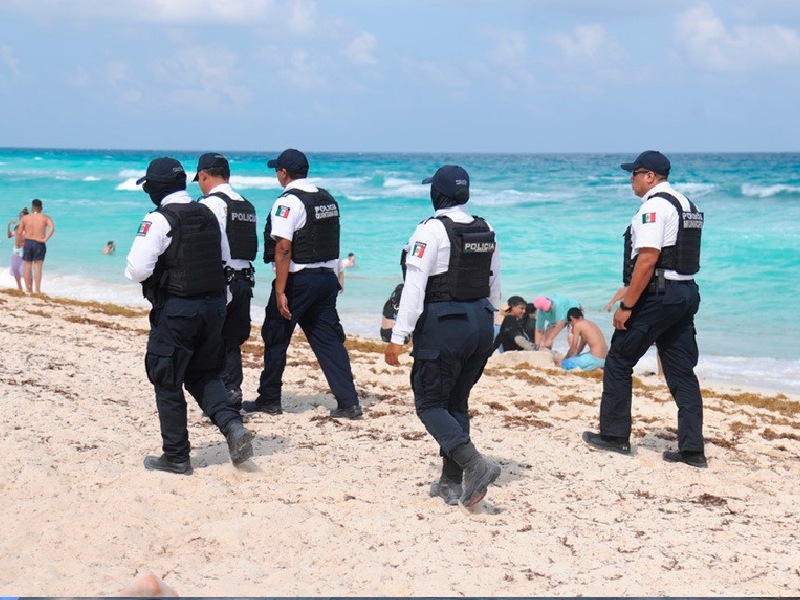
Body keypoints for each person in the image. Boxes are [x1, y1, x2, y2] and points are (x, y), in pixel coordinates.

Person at [124, 157, 254, 475]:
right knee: (205, 374)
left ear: (154, 189)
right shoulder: (208, 213)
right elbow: (225, 261)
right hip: (213, 308)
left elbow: (137, 270)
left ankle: (177, 456)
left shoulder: (158, 219)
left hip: (177, 309)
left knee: (166, 377)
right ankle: (232, 426)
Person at [384, 165, 502, 508]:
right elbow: (494, 281)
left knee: (430, 404)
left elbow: (415, 286)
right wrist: (490, 323)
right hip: (480, 323)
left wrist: (399, 334)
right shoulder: (485, 227)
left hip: (445, 325)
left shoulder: (429, 231)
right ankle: (450, 483)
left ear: (437, 194)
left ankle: (474, 465)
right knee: (455, 403)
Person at [583, 150, 706, 468]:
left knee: (620, 360)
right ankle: (692, 450)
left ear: (650, 176)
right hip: (685, 292)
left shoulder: (654, 206)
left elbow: (649, 258)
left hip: (659, 296)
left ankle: (614, 436)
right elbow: (673, 259)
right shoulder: (686, 204)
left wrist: (627, 305)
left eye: (634, 173)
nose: (631, 179)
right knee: (681, 371)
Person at [242, 149, 362, 419]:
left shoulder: (288, 202)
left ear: (283, 173)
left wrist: (280, 289)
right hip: (325, 278)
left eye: (277, 171)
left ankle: (269, 399)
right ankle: (349, 402)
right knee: (329, 341)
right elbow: (332, 241)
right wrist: (334, 278)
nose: (277, 175)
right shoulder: (327, 199)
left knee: (276, 336)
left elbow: (283, 248)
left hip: (299, 281)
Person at [194, 152, 258, 410]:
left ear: (204, 175)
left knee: (212, 341)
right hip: (244, 280)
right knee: (231, 341)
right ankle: (233, 391)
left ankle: (222, 396)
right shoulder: (245, 204)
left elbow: (202, 246)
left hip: (221, 282)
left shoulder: (210, 204)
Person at [19, 199, 55, 294]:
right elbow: (52, 228)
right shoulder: (45, 217)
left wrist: (23, 242)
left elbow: (19, 232)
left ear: (32, 207)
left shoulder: (25, 218)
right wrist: (45, 239)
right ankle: (37, 290)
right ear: (41, 208)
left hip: (28, 242)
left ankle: (28, 289)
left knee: (27, 266)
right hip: (39, 243)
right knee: (37, 267)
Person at [7, 209, 27, 291]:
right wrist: (8, 225)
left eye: (22, 216)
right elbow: (9, 236)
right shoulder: (16, 227)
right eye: (20, 216)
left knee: (24, 270)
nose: (20, 217)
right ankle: (19, 287)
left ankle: (28, 287)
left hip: (24, 250)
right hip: (15, 250)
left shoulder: (28, 228)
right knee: (15, 270)